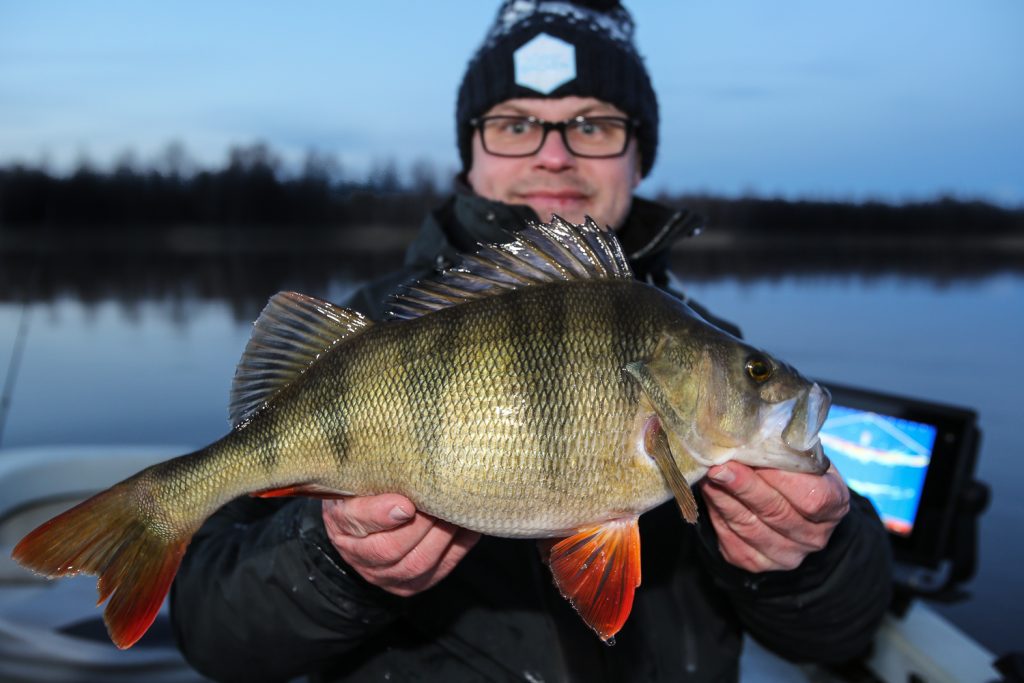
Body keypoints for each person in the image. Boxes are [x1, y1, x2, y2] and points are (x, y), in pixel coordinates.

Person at [170, 2, 892, 681]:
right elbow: (207, 625)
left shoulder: (700, 339)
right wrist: (332, 559)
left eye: (593, 124)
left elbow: (845, 630)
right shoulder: (369, 330)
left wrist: (808, 559)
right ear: (469, 152)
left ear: (638, 157)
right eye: (516, 124)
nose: (553, 155)